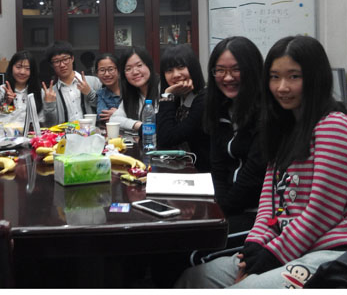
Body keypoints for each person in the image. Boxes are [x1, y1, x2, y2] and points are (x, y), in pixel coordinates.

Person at [176, 35, 347, 289]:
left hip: (337, 251)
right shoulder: (283, 128)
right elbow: (270, 200)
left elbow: (322, 213)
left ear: (315, 78)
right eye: (275, 77)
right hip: (291, 244)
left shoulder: (334, 126)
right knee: (193, 279)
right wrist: (254, 245)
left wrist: (272, 255)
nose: (282, 87)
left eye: (294, 76)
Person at [204, 36, 266, 234]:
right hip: (230, 208)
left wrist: (222, 212)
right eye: (220, 70)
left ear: (252, 70)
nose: (228, 77)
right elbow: (218, 168)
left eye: (236, 69)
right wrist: (220, 210)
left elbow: (253, 175)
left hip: (258, 214)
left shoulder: (266, 113)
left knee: (192, 239)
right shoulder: (220, 109)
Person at [156, 44, 210, 172]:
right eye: (169, 70)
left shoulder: (204, 99)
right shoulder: (178, 97)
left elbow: (166, 139)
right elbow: (156, 131)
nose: (176, 75)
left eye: (181, 67)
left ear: (193, 67)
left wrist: (167, 96)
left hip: (202, 173)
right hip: (179, 167)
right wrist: (170, 96)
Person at [42, 41, 101, 126]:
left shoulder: (94, 82)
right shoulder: (50, 94)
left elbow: (103, 111)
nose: (62, 65)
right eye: (56, 61)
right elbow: (50, 125)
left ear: (72, 58)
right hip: (65, 134)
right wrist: (49, 106)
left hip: (92, 133)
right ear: (52, 65)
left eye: (65, 59)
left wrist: (89, 93)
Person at [110, 47, 159, 132]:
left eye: (139, 65)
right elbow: (114, 119)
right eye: (128, 69)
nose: (135, 72)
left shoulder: (163, 89)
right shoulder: (132, 94)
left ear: (149, 65)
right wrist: (138, 125)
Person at [0, 50, 50, 124]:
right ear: (11, 68)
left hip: (31, 131)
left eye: (28, 68)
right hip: (6, 130)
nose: (22, 72)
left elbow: (41, 121)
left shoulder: (40, 93)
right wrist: (7, 103)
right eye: (18, 67)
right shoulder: (1, 90)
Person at [94, 53, 121, 123]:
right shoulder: (101, 93)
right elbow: (102, 116)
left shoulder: (130, 90)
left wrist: (118, 113)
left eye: (111, 69)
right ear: (97, 73)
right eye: (102, 70)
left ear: (119, 71)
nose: (107, 74)